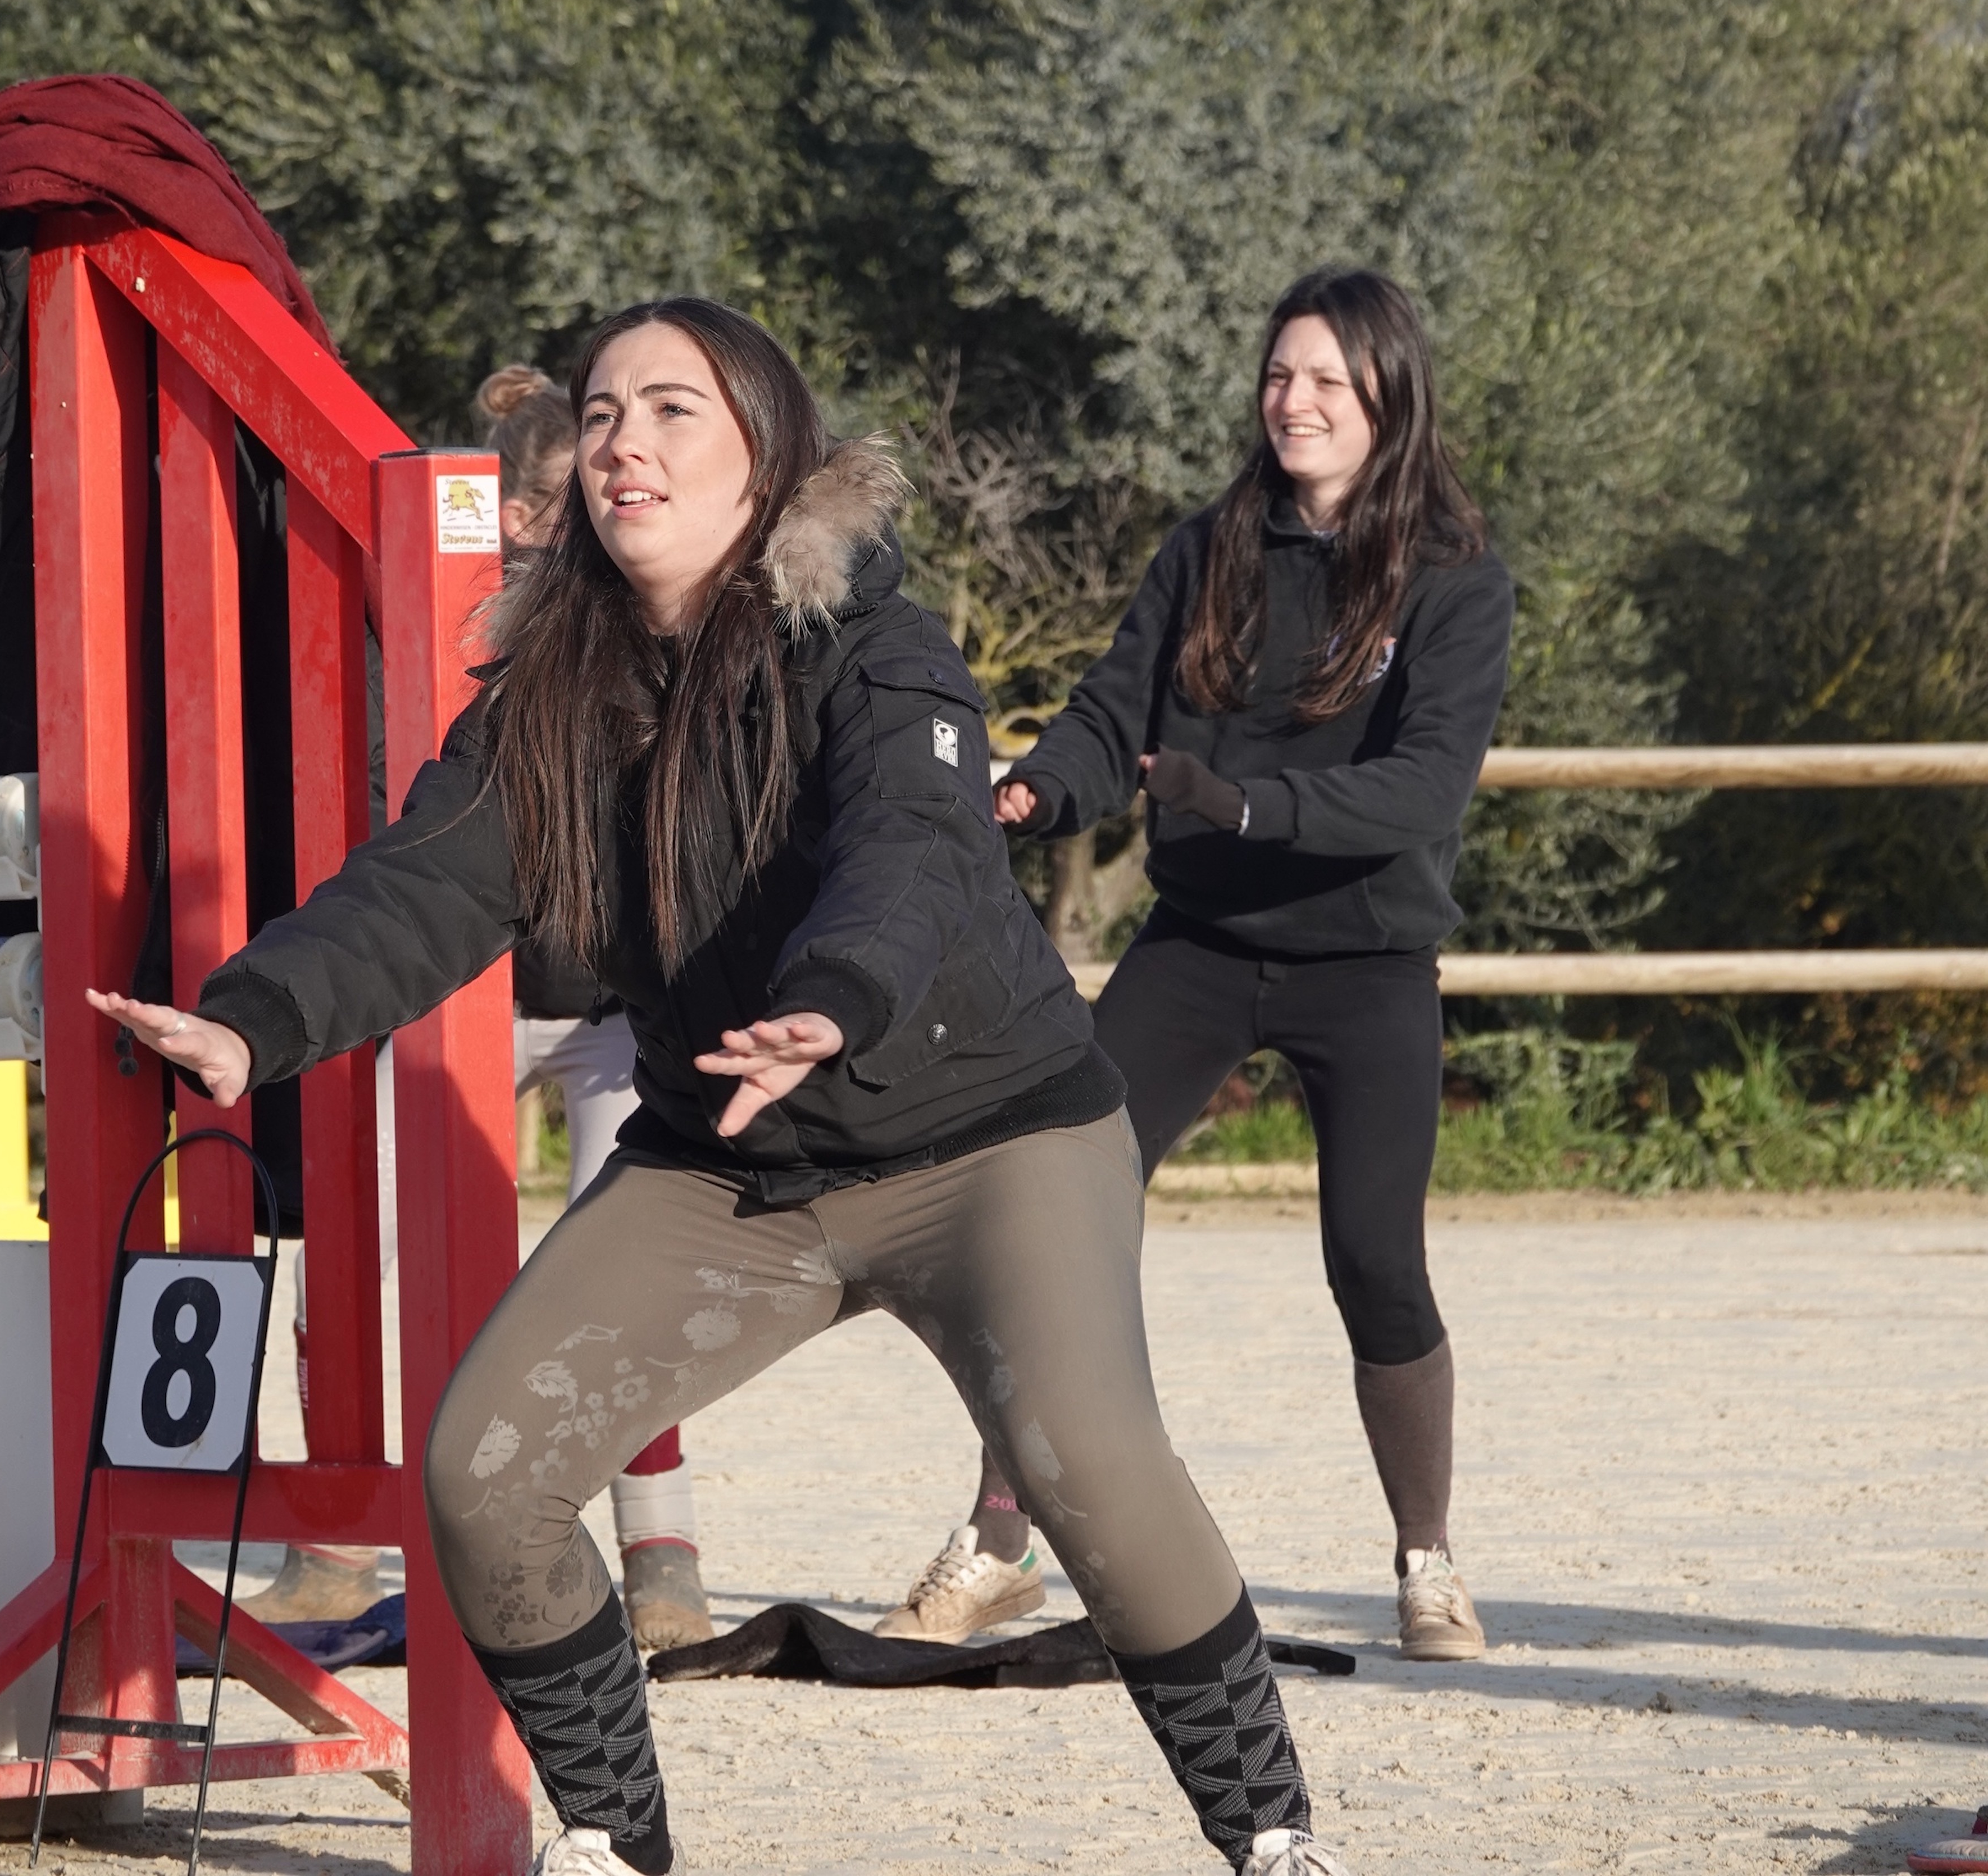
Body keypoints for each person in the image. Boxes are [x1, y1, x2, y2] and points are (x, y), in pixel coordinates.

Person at [90, 297, 1355, 1876]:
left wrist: (831, 1004)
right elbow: (423, 885)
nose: (624, 441)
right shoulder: (548, 689)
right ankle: (618, 1843)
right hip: (733, 1166)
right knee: (484, 1474)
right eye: (601, 413)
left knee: (1088, 1468)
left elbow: (914, 853)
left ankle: (1274, 1835)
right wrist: (253, 1021)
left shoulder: (882, 650)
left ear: (766, 455)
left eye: (672, 410)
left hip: (992, 1142)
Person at [879, 267, 1513, 1669]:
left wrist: (1243, 805)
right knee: (1053, 1213)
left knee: (1375, 1261)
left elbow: (1423, 789)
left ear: (1390, 397)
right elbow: (1114, 716)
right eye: (1280, 376)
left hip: (1369, 959)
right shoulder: (1208, 549)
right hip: (1202, 949)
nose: (1296, 401)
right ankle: (1000, 1541)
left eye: (1328, 381)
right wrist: (1041, 789)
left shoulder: (1457, 578)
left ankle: (1427, 1561)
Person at [484, 363, 713, 1651]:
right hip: (467, 996)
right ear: (520, 516)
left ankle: (661, 1548)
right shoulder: (454, 622)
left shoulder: (655, 613)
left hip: (618, 1008)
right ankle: (335, 1546)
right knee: (374, 1244)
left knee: (623, 1276)